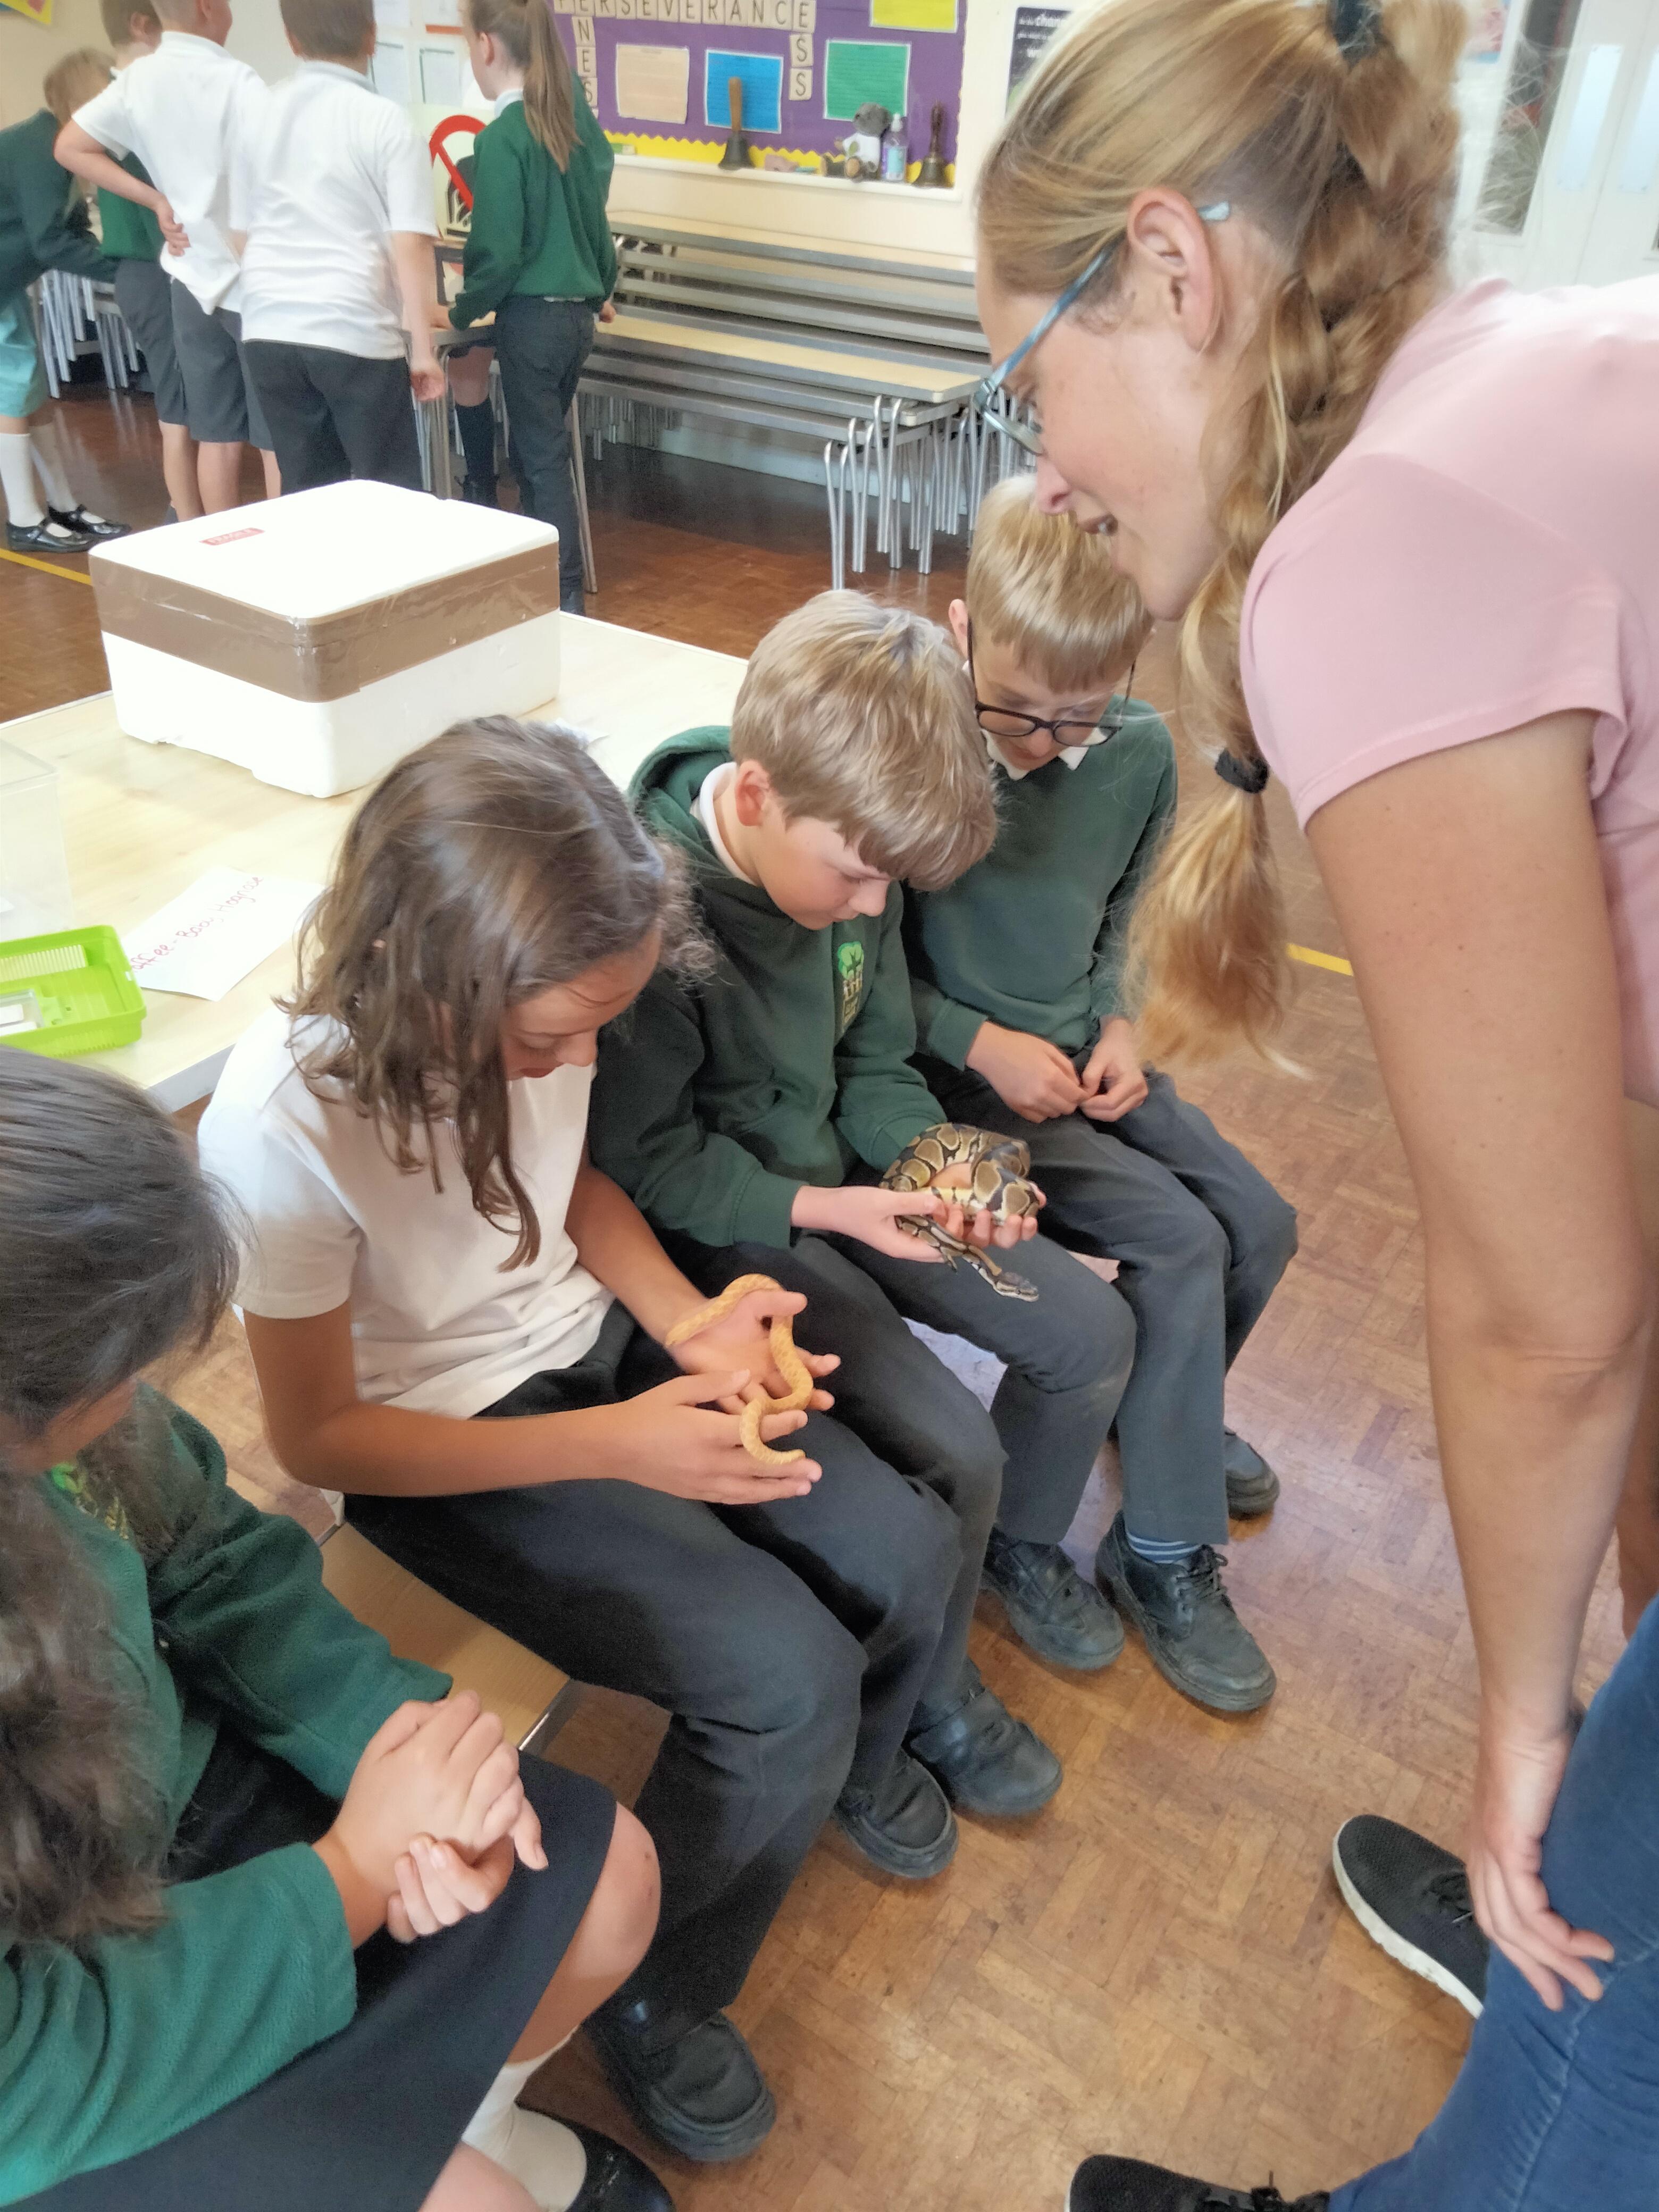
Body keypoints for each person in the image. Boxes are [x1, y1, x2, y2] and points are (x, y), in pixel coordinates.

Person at [967, 0, 1659, 2204]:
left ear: (1172, 267)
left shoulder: (1381, 538)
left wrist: (1529, 1718)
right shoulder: (1539, 362)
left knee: (1599, 2001)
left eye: (1029, 382)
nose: (1042, 470)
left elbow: (1548, 1312)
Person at [198, 716, 981, 2167]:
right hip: (439, 1440)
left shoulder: (544, 997)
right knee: (781, 1675)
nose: (572, 1060)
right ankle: (657, 1989)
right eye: (546, 1040)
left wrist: (688, 1323)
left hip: (595, 1346)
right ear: (432, 981)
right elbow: (321, 1438)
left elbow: (572, 1186)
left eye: (590, 1033)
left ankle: (825, 1778)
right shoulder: (278, 1129)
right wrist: (620, 1445)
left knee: (899, 1543)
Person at [0, 1050, 669, 2212]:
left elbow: (210, 1554)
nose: (138, 1396)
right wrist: (352, 1876)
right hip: (68, 2020)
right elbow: (30, 2077)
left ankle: (473, 2122)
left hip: (179, 1781)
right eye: (119, 1375)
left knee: (609, 1878)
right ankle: (448, 2150)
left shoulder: (66, 1407)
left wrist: (397, 1754)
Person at [589, 592, 1125, 1767]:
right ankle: (926, 1690)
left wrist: (943, 1161)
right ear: (752, 796)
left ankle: (1010, 1559)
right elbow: (645, 1164)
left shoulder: (849, 854)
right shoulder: (649, 915)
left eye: (891, 885)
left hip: (844, 1189)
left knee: (1087, 1330)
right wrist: (831, 1209)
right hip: (728, 1232)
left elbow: (874, 1058)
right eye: (855, 878)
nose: (875, 909)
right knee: (957, 1451)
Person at [906, 474, 1296, 1713]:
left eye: (1081, 716)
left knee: (1261, 1222)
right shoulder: (912, 757)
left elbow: (1127, 916)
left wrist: (1123, 1021)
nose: (1047, 745)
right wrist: (977, 1041)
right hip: (953, 1094)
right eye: (1019, 715)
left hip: (1079, 1063)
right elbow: (855, 980)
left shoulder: (1131, 754)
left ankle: (1166, 1414)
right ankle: (1158, 1548)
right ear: (962, 632)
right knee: (1180, 1240)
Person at [56, 0, 280, 513]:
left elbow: (70, 146)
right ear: (207, 7)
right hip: (250, 279)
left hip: (189, 275)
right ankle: (282, 553)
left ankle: (220, 550)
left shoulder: (138, 80)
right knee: (274, 440)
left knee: (216, 437)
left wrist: (156, 199)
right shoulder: (237, 80)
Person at [234, 0, 445, 495]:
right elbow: (410, 243)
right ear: (372, 36)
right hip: (354, 327)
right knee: (388, 493)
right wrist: (422, 349)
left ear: (291, 40)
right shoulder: (386, 120)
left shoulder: (256, 112)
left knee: (308, 493)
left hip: (268, 328)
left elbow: (239, 232)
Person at [447, 0, 615, 611]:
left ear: (486, 47)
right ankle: (547, 583)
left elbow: (497, 250)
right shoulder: (566, 130)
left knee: (541, 461)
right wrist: (600, 287)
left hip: (533, 322)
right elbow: (596, 228)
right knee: (539, 453)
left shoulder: (502, 139)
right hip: (575, 319)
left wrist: (462, 312)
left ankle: (563, 598)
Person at [0, 51, 134, 552]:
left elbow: (72, 230)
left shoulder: (55, 145)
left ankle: (61, 505)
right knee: (14, 391)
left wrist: (116, 261)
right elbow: (50, 242)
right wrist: (124, 274)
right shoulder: (40, 149)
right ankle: (24, 518)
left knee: (31, 392)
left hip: (6, 283)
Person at [97, 0, 200, 522]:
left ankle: (189, 513)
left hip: (149, 271)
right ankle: (185, 517)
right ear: (142, 26)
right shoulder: (131, 102)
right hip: (154, 270)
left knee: (185, 404)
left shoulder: (118, 101)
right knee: (179, 410)